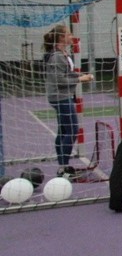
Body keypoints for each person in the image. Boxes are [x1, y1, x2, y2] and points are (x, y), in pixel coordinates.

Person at [43, 25, 95, 177]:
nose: (71, 37)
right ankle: (63, 168)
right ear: (61, 38)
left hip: (62, 96)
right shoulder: (57, 56)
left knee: (63, 131)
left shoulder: (63, 54)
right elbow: (59, 80)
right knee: (72, 131)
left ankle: (62, 166)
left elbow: (67, 74)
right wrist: (79, 78)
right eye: (69, 34)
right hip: (61, 97)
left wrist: (80, 75)